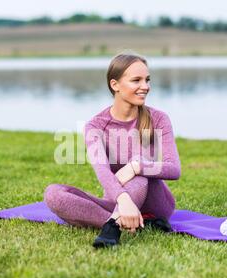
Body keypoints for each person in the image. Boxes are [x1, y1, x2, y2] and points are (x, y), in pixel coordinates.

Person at [44, 51, 181, 248]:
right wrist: (123, 199)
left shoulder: (159, 118)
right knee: (53, 194)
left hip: (155, 202)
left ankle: (112, 226)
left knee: (140, 176)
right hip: (119, 199)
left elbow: (174, 169)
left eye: (147, 80)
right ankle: (131, 220)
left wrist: (136, 166)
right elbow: (102, 171)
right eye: (136, 80)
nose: (145, 87)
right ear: (115, 84)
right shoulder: (96, 125)